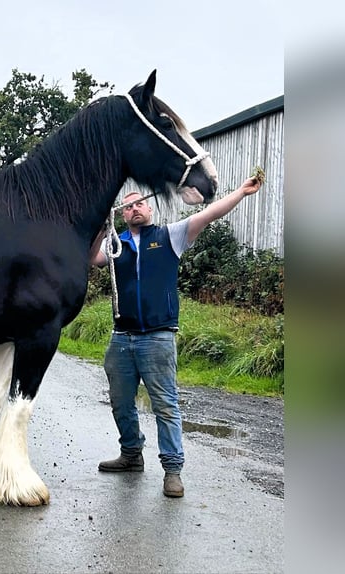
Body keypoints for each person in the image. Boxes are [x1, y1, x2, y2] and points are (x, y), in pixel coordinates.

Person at [89, 175, 263, 497]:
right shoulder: (115, 244)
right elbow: (90, 258)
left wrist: (241, 191)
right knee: (120, 403)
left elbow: (209, 214)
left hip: (157, 337)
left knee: (165, 405)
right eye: (127, 207)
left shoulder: (172, 236)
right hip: (121, 337)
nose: (134, 209)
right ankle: (131, 455)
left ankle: (172, 470)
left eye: (139, 203)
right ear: (122, 214)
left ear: (150, 209)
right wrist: (100, 224)